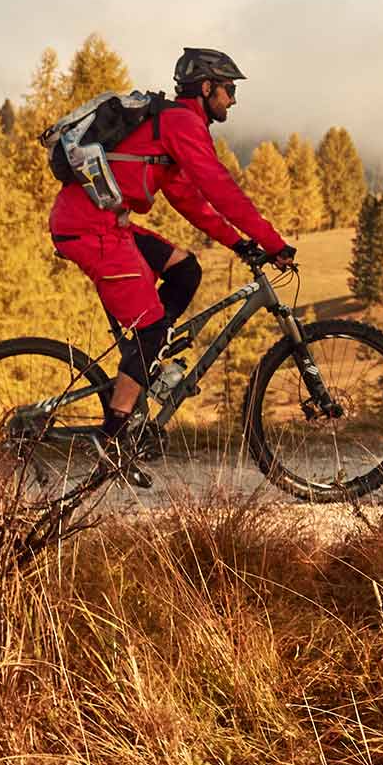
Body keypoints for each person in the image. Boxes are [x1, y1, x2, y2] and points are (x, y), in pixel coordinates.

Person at [47, 46, 295, 480]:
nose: (233, 100)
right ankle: (114, 439)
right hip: (92, 229)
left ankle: (147, 359)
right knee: (150, 327)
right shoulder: (181, 123)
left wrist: (238, 244)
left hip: (106, 224)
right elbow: (219, 188)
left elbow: (189, 199)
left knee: (185, 270)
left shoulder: (173, 125)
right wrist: (272, 242)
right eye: (229, 90)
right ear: (206, 88)